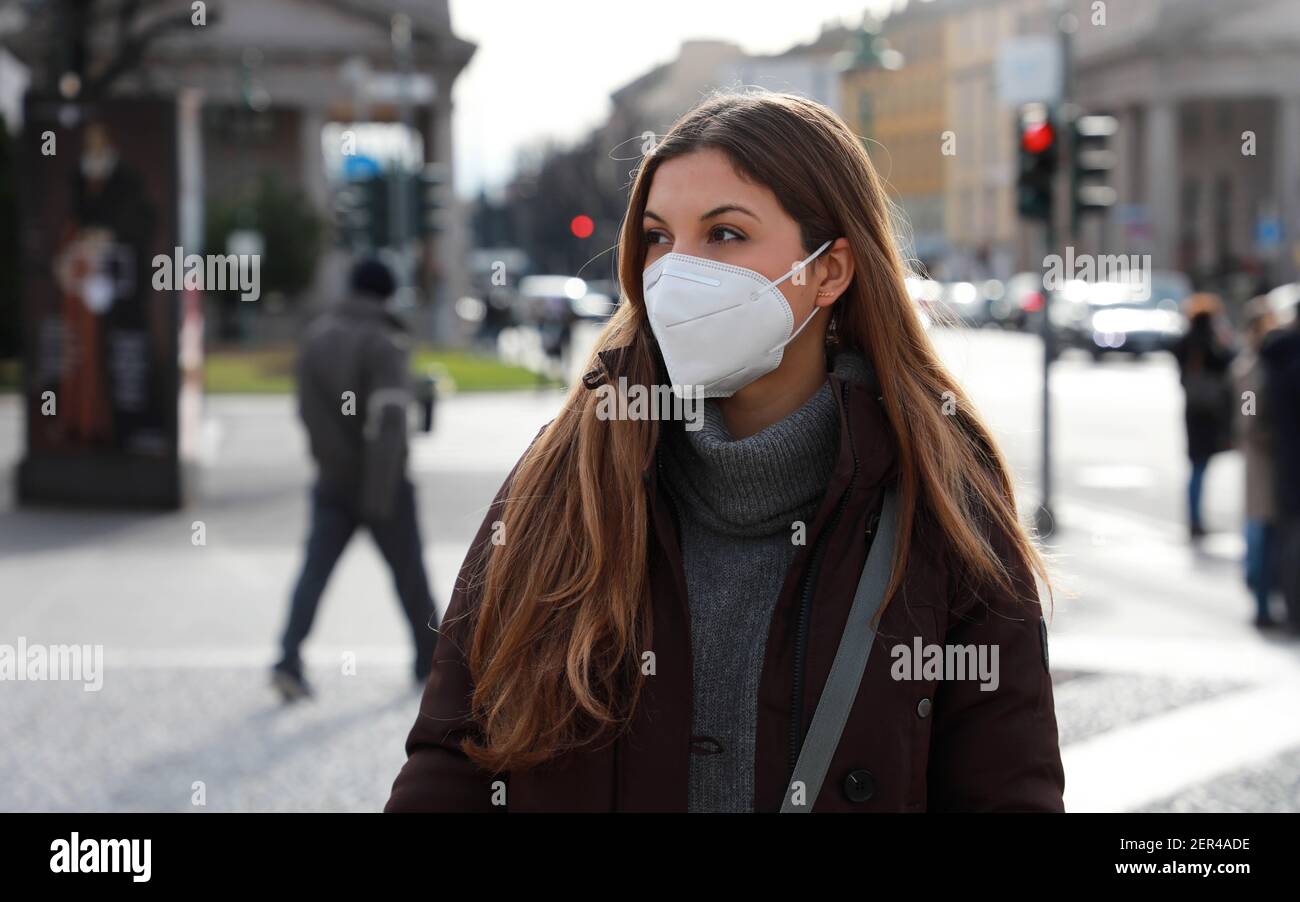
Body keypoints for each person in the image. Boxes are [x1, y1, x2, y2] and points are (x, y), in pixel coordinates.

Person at [385, 91, 1064, 812]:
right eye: (657, 236)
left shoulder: (941, 498)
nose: (676, 271)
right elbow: (451, 762)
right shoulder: (563, 475)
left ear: (829, 272)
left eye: (725, 235)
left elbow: (1007, 788)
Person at [272, 258, 439, 701]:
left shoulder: (316, 339)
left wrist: (331, 463)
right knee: (410, 577)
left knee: (314, 574)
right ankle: (432, 663)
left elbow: (307, 413)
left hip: (331, 480)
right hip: (382, 486)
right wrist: (379, 494)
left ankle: (288, 659)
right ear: (386, 295)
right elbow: (388, 424)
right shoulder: (384, 343)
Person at [1231, 297, 1281, 628]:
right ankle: (1260, 599)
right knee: (1260, 531)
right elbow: (1247, 418)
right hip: (1261, 463)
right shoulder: (1251, 369)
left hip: (1265, 462)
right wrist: (1262, 434)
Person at [1170, 293, 1236, 539]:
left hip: (1192, 408)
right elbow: (1227, 363)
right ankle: (1195, 520)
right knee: (1200, 466)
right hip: (1208, 412)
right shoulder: (1209, 340)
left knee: (1196, 466)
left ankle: (1193, 517)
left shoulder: (1185, 340)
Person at [1259, 301, 1300, 634]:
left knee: (1285, 538)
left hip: (1282, 461)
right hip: (1282, 461)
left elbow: (1252, 409)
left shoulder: (1274, 357)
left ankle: (1285, 607)